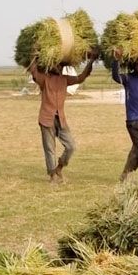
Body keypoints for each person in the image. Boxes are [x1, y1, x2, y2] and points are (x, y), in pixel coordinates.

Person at [28, 48, 97, 184]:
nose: (58, 68)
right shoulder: (44, 79)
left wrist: (91, 61)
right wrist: (35, 56)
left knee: (71, 146)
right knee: (50, 148)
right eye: (56, 65)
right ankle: (53, 175)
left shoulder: (65, 79)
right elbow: (34, 72)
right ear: (50, 65)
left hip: (61, 118)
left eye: (60, 65)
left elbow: (81, 77)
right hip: (46, 118)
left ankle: (59, 167)